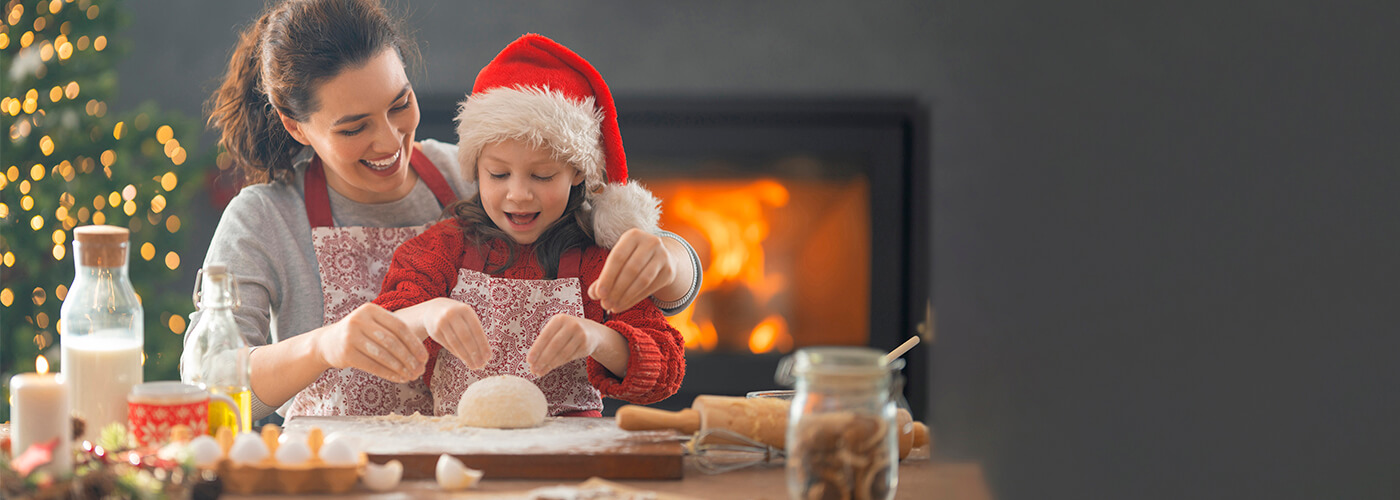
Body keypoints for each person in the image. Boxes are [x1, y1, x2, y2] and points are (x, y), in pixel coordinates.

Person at [189, 0, 700, 421]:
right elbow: (208, 379)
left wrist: (668, 260)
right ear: (296, 126)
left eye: (399, 102)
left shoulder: (483, 176)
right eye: (353, 128)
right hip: (337, 475)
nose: (390, 141)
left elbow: (650, 286)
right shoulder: (265, 218)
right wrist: (325, 346)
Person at [363, 34, 685, 417]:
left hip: (569, 457)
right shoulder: (442, 249)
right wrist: (427, 314)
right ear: (475, 170)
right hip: (460, 447)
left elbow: (666, 371)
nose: (518, 194)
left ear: (577, 175)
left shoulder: (596, 261)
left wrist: (597, 338)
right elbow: (380, 333)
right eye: (498, 174)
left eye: (543, 176)